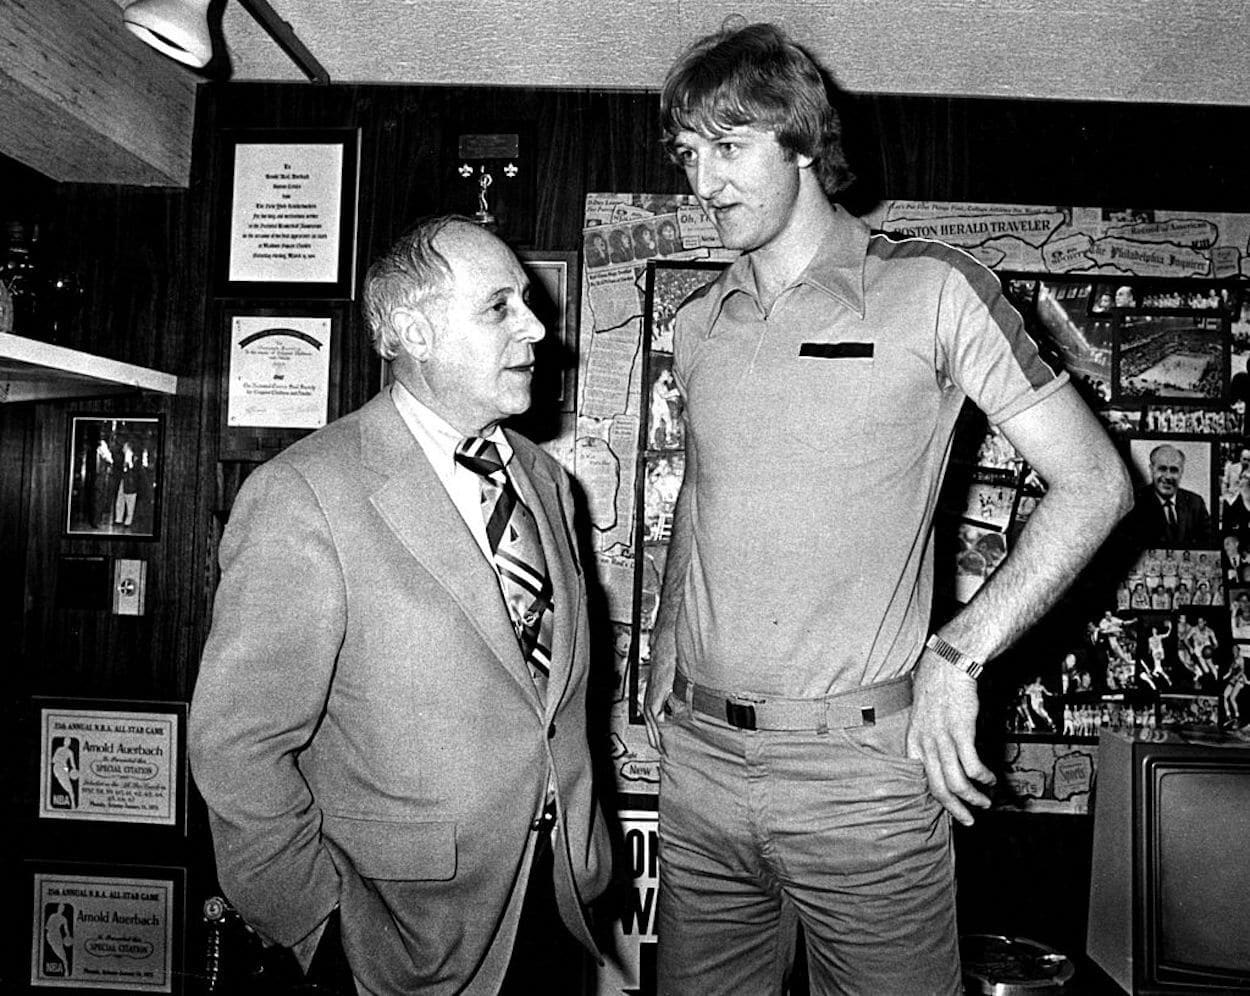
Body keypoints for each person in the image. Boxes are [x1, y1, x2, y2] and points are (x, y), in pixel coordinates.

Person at [642, 22, 1133, 996]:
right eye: (688, 154)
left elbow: (1096, 485)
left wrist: (957, 655)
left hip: (860, 776)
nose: (702, 181)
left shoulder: (933, 291)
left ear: (799, 142)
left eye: (726, 148)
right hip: (698, 763)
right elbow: (702, 493)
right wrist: (660, 658)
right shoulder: (697, 323)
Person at [189, 215, 612, 995]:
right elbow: (236, 746)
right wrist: (318, 925)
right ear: (415, 330)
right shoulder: (303, 495)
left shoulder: (547, 484)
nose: (536, 326)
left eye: (526, 301)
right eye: (499, 307)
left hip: (556, 904)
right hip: (396, 937)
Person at [1125, 443, 1210, 546]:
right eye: (1162, 469)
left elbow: (1210, 543)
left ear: (1181, 472)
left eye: (1174, 470)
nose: (1168, 476)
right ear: (1152, 469)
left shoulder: (1196, 503)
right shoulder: (1135, 502)